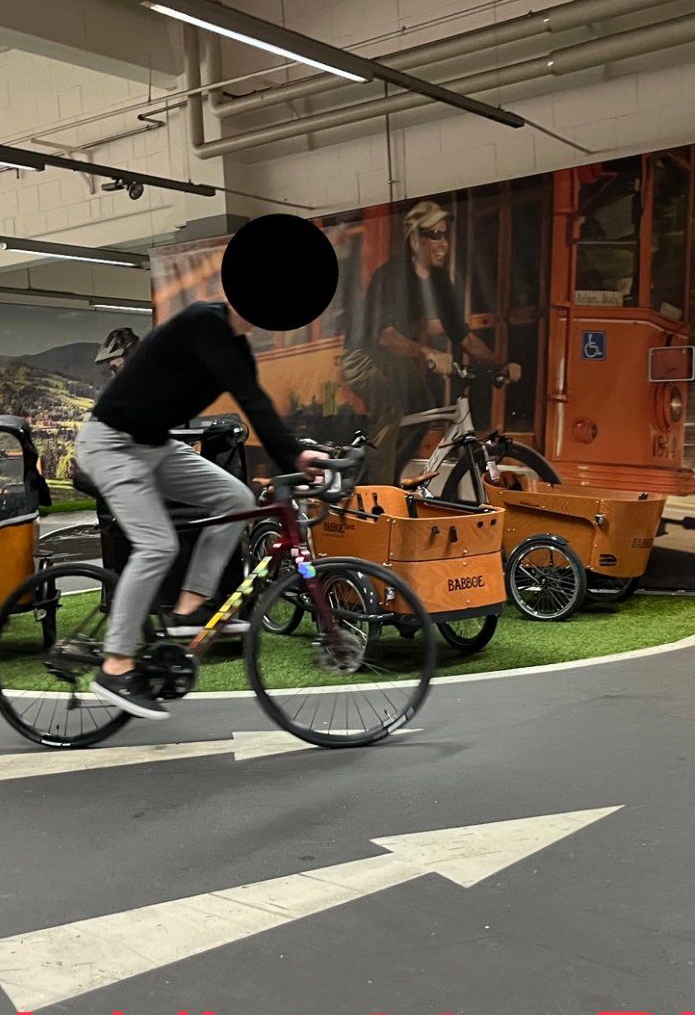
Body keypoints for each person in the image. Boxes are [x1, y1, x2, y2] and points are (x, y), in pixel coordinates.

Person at [76, 300, 326, 719]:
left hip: (155, 444)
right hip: (112, 443)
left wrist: (294, 455)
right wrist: (294, 457)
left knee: (236, 498)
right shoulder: (203, 323)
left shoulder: (237, 347)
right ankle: (115, 665)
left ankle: (189, 610)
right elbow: (250, 397)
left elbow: (256, 403)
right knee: (157, 545)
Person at [341, 200, 518, 483]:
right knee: (392, 404)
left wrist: (500, 364)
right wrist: (427, 352)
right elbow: (385, 336)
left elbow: (463, 337)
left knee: (423, 407)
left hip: (395, 359)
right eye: (435, 235)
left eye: (445, 235)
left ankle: (392, 477)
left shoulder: (440, 281)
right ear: (414, 240)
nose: (443, 243)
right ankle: (375, 487)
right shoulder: (391, 276)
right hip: (362, 357)